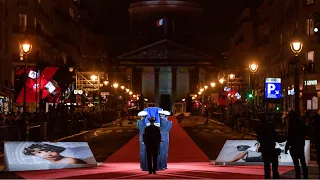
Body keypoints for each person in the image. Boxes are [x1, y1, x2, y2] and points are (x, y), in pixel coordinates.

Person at [256, 113, 284, 179]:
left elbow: (259, 138)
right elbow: (274, 136)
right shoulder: (269, 125)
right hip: (270, 147)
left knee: (267, 166)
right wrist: (283, 138)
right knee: (274, 165)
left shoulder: (259, 127)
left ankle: (267, 177)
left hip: (264, 148)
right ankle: (275, 177)